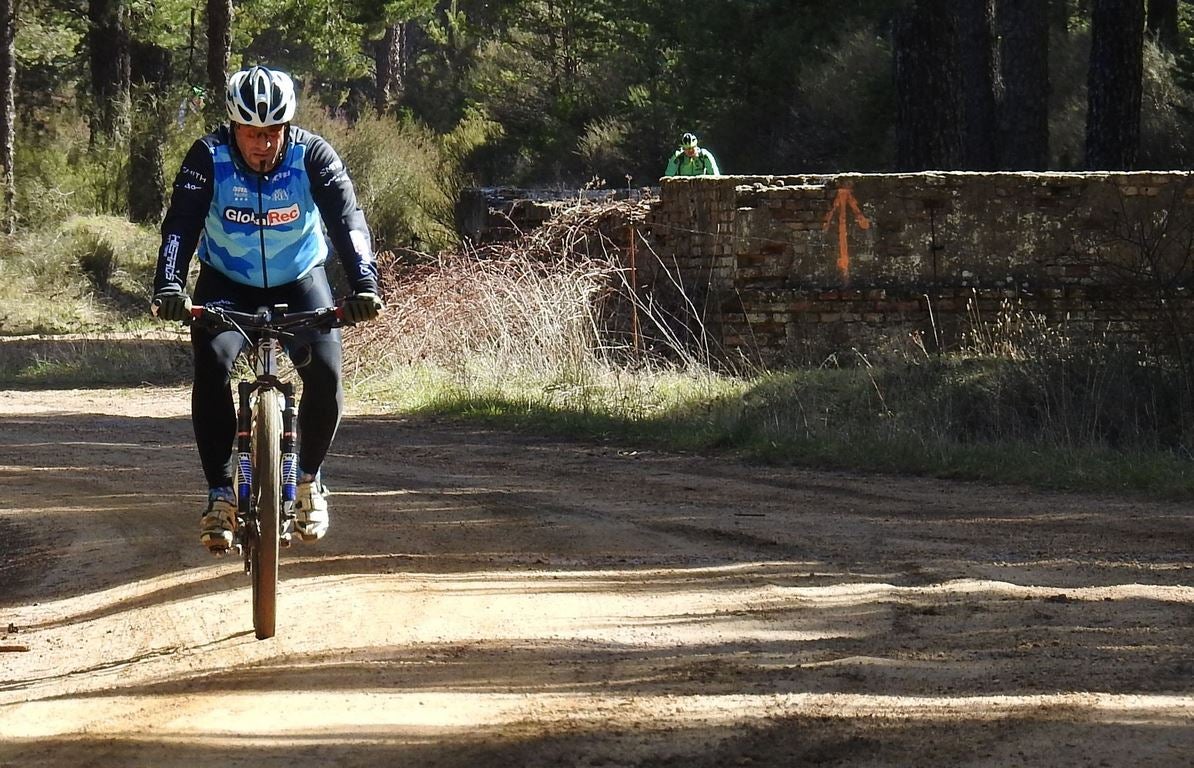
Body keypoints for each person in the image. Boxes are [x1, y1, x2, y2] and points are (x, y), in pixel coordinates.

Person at [150, 65, 384, 554]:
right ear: (233, 127)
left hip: (300, 282)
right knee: (212, 366)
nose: (263, 144)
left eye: (273, 131)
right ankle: (219, 494)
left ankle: (309, 481)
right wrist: (169, 284)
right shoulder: (207, 157)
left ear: (287, 127)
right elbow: (181, 225)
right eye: (253, 133)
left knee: (324, 373)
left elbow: (348, 220)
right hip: (226, 285)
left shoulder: (312, 155)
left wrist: (364, 283)